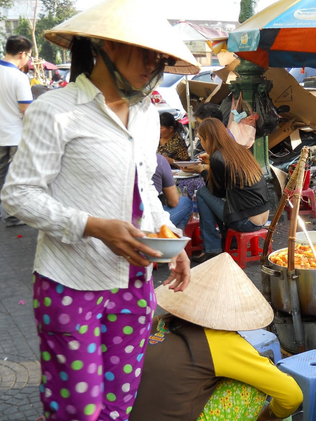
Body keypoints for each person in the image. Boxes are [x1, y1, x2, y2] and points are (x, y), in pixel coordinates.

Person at [0, 0, 198, 419]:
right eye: (145, 53)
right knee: (79, 410)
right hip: (71, 284)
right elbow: (18, 195)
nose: (153, 65)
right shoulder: (57, 110)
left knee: (118, 404)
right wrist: (92, 226)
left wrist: (168, 237)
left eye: (159, 57)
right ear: (106, 46)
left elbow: (143, 185)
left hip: (134, 286)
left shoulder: (146, 115)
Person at [130, 252, 303, 421]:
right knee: (251, 386)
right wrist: (268, 416)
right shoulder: (222, 342)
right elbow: (292, 395)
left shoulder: (157, 322)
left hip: (124, 412)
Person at [191, 118, 270, 263]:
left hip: (246, 222)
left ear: (207, 138)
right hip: (263, 217)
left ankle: (211, 248)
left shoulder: (217, 157)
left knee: (202, 193)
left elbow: (217, 193)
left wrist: (202, 170)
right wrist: (211, 165)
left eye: (201, 139)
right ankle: (228, 240)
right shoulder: (239, 150)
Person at [0, 35, 33, 227]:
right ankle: (13, 215)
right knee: (16, 175)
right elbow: (26, 110)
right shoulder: (19, 77)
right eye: (28, 56)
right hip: (14, 135)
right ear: (22, 54)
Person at [152, 153, 193, 230]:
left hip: (125, 221)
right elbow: (173, 201)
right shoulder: (158, 160)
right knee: (186, 202)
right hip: (148, 222)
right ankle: (173, 238)